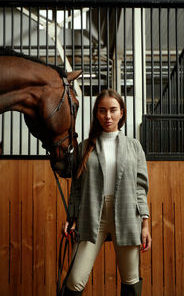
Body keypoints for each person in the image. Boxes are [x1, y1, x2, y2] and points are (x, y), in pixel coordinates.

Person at [63, 89, 151, 296]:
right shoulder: (84, 147)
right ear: (96, 114)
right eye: (102, 111)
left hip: (128, 215)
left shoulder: (134, 147)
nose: (108, 116)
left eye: (113, 110)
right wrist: (70, 217)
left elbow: (141, 187)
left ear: (122, 112)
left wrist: (145, 223)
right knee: (74, 280)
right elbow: (76, 187)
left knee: (131, 280)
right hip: (92, 215)